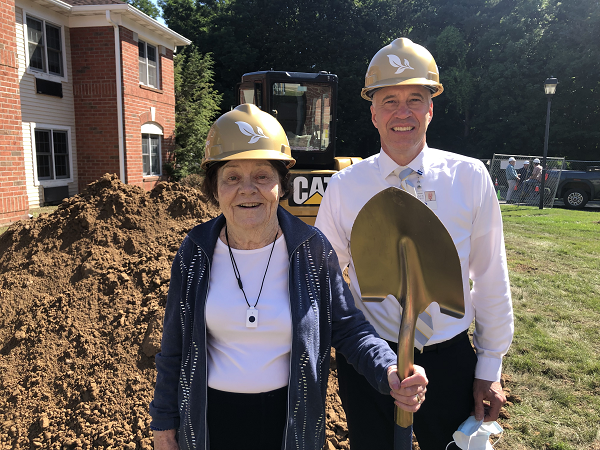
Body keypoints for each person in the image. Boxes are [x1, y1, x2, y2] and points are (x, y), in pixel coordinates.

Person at [149, 103, 429, 450]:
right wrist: (163, 424)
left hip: (291, 425)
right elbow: (173, 347)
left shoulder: (311, 251)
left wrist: (388, 367)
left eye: (262, 176)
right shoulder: (195, 252)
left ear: (281, 184)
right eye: (232, 177)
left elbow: (348, 327)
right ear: (214, 187)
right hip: (210, 422)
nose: (247, 189)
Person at [314, 38, 514, 450]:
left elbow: (490, 273)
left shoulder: (469, 177)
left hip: (451, 358)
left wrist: (489, 365)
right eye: (389, 100)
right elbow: (325, 279)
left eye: (415, 99)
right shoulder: (344, 187)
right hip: (371, 360)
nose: (402, 112)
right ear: (372, 112)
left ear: (431, 108)